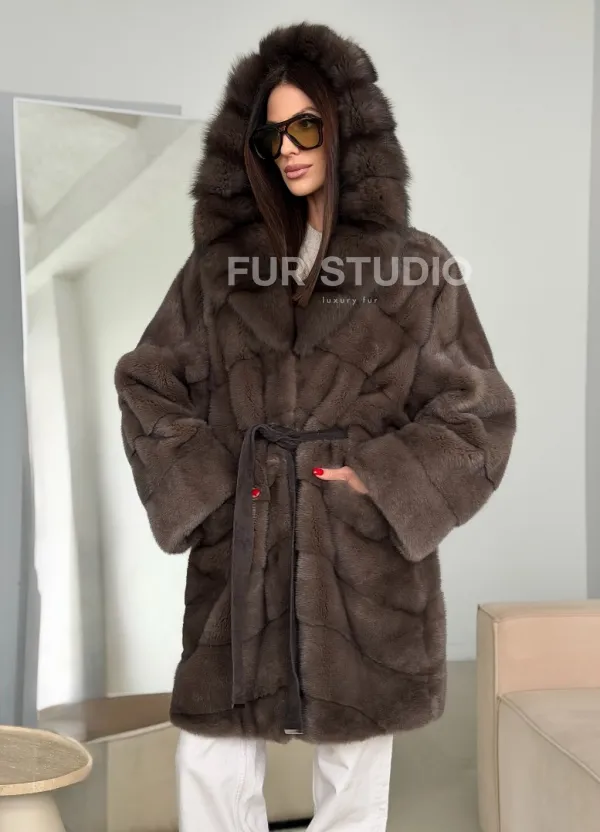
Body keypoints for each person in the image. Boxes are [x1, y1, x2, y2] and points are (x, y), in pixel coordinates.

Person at [114, 21, 516, 832]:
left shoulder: (416, 265)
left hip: (360, 552)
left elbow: (477, 414)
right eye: (272, 136)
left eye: (306, 127)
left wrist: (384, 479)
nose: (289, 151)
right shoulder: (219, 272)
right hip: (245, 543)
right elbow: (147, 381)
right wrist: (212, 490)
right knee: (212, 757)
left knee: (354, 770)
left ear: (346, 130)